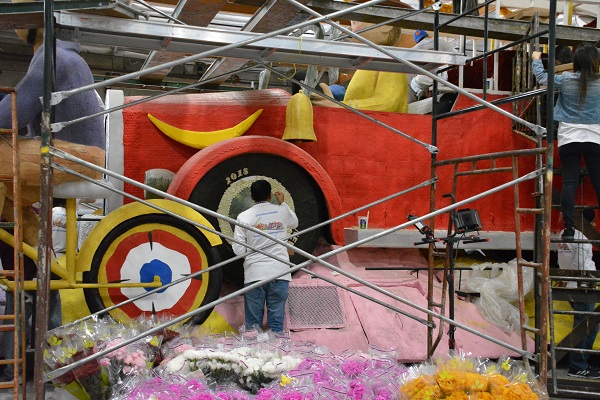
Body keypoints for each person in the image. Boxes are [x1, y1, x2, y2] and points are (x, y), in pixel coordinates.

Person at [0, 25, 106, 248]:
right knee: (12, 198)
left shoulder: (53, 57)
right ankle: (43, 263)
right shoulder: (59, 54)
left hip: (77, 156)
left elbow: (12, 112)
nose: (16, 23)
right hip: (75, 153)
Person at [532, 43, 600, 240]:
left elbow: (543, 79)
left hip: (568, 137)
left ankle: (569, 228)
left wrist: (536, 60)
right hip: (595, 138)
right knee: (597, 182)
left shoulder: (566, 79)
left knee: (569, 182)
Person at [231, 180, 299, 332]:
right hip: (280, 273)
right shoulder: (281, 211)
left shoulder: (243, 217)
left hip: (255, 274)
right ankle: (278, 353)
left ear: (251, 196)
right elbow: (294, 223)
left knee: (253, 328)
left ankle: (254, 354)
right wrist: (283, 204)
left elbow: (238, 250)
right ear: (270, 196)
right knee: (276, 325)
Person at [312, 20, 409, 113]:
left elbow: (388, 103)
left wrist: (341, 106)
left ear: (385, 27)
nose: (351, 30)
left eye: (355, 23)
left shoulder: (389, 60)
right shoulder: (369, 63)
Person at [557, 209, 600, 378]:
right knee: (587, 326)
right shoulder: (582, 236)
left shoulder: (563, 233)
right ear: (588, 222)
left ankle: (580, 363)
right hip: (584, 285)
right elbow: (581, 263)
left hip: (570, 284)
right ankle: (578, 365)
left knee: (585, 324)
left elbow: (564, 260)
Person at [410, 29, 458, 102]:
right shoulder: (441, 42)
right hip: (442, 76)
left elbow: (409, 64)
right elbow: (456, 56)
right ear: (428, 36)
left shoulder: (416, 48)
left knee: (414, 82)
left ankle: (420, 92)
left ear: (416, 41)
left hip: (426, 78)